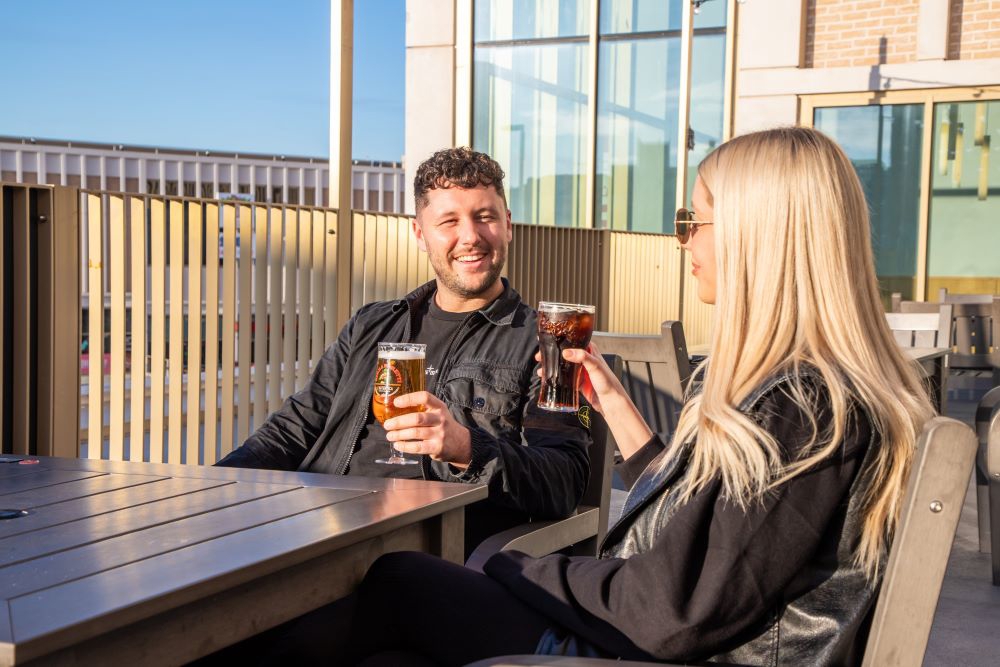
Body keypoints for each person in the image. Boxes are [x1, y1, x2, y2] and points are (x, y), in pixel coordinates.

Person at [341, 126, 935, 666]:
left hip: (650, 652)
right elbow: (717, 527)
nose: (684, 243)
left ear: (760, 238)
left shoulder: (804, 408)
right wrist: (623, 416)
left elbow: (673, 612)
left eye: (694, 223)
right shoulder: (815, 391)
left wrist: (514, 567)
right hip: (666, 638)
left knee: (398, 583)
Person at [216, 146, 592, 554]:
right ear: (420, 234)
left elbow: (563, 481)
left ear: (508, 225)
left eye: (485, 217)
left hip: (427, 555)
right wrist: (214, 488)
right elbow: (297, 426)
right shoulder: (371, 324)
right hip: (322, 529)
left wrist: (467, 448)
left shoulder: (548, 344)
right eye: (449, 221)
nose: (471, 236)